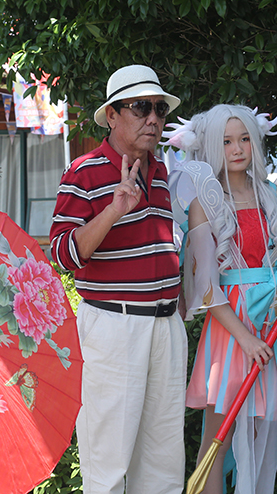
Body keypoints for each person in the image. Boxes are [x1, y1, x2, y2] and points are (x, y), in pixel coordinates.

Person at [164, 104, 277, 494]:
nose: (237, 148)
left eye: (244, 138)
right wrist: (244, 338)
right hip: (232, 330)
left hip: (273, 322)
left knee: (266, 424)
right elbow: (206, 285)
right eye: (226, 141)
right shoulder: (203, 201)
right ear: (212, 146)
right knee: (220, 434)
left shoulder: (272, 195)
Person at [49, 64, 187, 494]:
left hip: (166, 327)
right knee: (107, 466)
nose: (153, 119)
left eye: (159, 110)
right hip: (114, 326)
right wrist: (112, 210)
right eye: (141, 108)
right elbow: (60, 255)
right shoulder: (84, 172)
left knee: (163, 466)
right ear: (112, 115)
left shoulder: (160, 172)